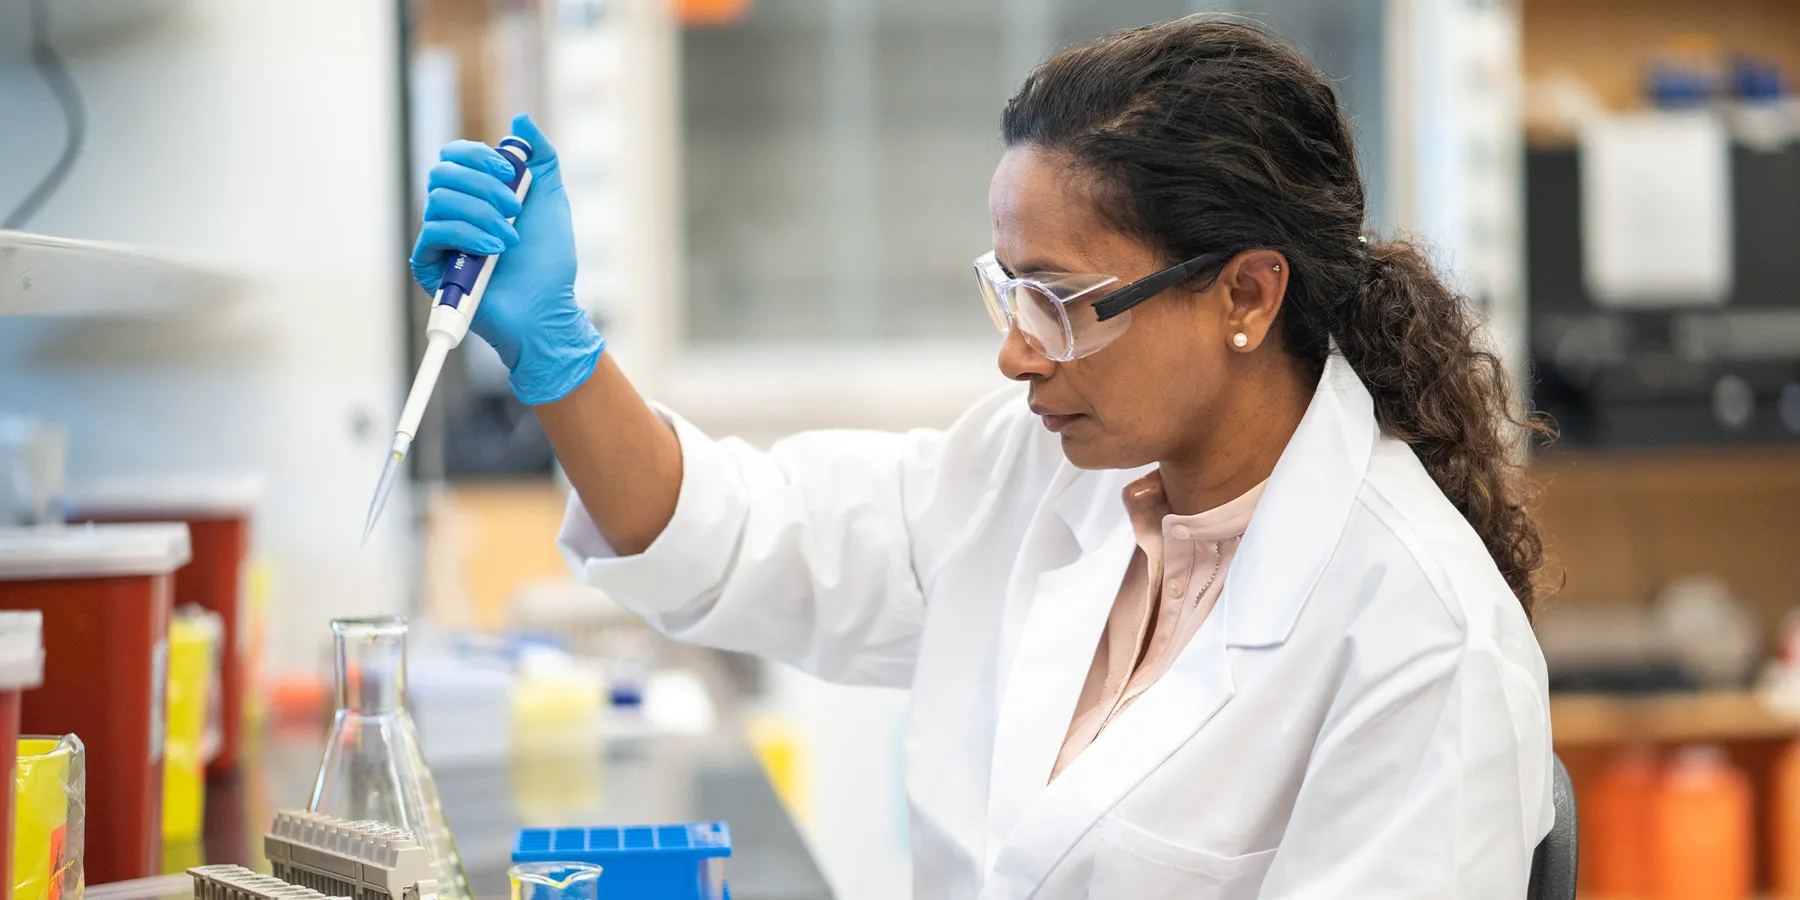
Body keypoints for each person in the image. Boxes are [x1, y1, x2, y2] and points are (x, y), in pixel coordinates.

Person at [411, 18, 1554, 900]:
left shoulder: (1424, 643)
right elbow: (737, 535)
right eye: (1007, 291)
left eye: (1059, 300)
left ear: (1246, 295)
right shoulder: (1041, 474)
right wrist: (560, 357)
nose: (1015, 354)